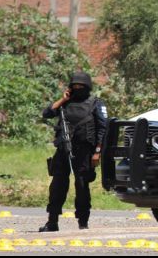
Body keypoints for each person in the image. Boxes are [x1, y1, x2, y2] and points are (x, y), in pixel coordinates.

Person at [39, 71, 107, 232]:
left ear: (87, 87)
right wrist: (63, 99)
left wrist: (97, 152)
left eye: (80, 87)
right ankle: (52, 221)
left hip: (85, 151)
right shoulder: (65, 103)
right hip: (63, 149)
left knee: (82, 185)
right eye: (74, 87)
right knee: (57, 185)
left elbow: (103, 128)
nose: (77, 89)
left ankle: (83, 222)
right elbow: (46, 113)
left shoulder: (96, 103)